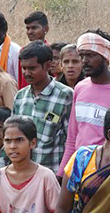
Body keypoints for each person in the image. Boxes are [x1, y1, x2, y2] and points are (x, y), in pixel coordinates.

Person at [60, 30, 110, 168]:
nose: (85, 61)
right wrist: (62, 173)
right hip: (80, 169)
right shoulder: (80, 88)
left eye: (90, 55)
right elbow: (72, 138)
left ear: (105, 57)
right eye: (82, 56)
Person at [12, 41, 73, 176]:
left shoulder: (65, 96)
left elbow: (71, 140)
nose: (26, 73)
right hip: (23, 175)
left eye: (32, 68)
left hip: (52, 175)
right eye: (24, 68)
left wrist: (61, 175)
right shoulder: (20, 97)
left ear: (47, 65)